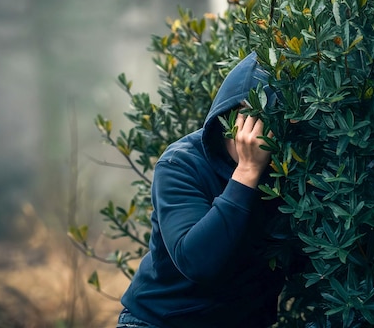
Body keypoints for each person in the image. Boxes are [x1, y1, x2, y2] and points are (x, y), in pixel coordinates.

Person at [117, 52, 303, 328]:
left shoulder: (292, 168)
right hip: (161, 322)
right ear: (233, 117)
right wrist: (246, 172)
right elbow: (197, 262)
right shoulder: (180, 164)